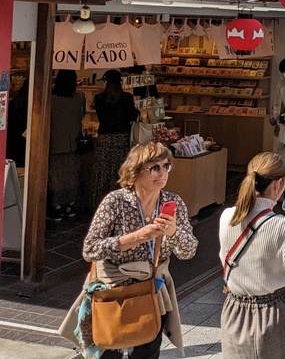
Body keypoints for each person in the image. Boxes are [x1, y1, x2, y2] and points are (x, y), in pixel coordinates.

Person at [63, 141, 198, 358]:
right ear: (135, 171)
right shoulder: (115, 202)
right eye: (154, 167)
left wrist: (173, 232)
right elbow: (90, 250)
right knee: (109, 351)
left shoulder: (173, 202)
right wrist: (137, 237)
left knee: (148, 350)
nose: (162, 173)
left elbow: (188, 251)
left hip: (150, 291)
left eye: (166, 166)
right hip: (114, 293)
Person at [218, 152, 285, 358]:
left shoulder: (227, 217)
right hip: (273, 312)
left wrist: (279, 183)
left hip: (234, 310)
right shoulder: (284, 226)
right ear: (279, 184)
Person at [90, 69, 140, 211]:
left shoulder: (99, 98)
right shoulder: (126, 98)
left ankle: (99, 201)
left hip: (104, 137)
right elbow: (131, 116)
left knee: (102, 170)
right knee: (119, 169)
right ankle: (118, 201)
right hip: (121, 137)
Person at [49, 70, 86, 221]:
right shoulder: (79, 98)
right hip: (73, 143)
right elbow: (82, 115)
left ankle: (56, 207)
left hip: (55, 142)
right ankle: (69, 206)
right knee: (71, 176)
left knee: (55, 176)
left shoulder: (51, 99)